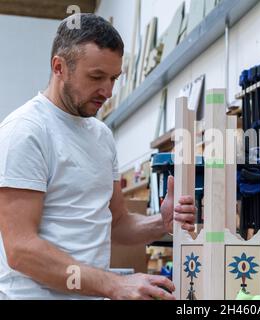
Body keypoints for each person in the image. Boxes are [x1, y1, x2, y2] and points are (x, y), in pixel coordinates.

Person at [0, 13, 196, 300]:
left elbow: (117, 223)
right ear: (59, 67)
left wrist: (160, 223)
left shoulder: (102, 136)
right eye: (96, 77)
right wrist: (114, 284)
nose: (107, 90)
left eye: (114, 78)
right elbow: (21, 249)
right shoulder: (26, 131)